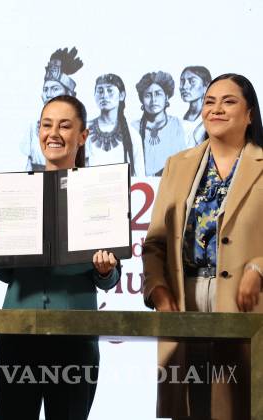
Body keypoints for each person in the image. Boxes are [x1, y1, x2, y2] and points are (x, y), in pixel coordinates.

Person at [0, 95, 120, 420]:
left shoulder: (98, 193)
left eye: (65, 126)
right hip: (17, 331)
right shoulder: (14, 193)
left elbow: (110, 276)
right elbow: (10, 274)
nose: (53, 133)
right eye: (46, 125)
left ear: (83, 135)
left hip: (75, 335)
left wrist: (105, 270)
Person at [142, 73, 263, 420]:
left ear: (250, 114)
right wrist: (159, 291)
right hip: (184, 300)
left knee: (238, 406)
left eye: (228, 101)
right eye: (210, 102)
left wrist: (258, 267)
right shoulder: (177, 165)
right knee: (189, 405)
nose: (216, 109)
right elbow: (155, 243)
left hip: (246, 305)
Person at [20, 47, 83, 171]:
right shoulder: (33, 126)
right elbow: (28, 165)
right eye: (45, 89)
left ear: (68, 94)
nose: (48, 94)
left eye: (55, 89)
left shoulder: (80, 126)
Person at [85, 73, 145, 176]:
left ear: (122, 95)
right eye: (100, 91)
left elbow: (140, 178)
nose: (104, 96)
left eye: (110, 90)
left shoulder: (132, 135)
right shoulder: (83, 131)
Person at [133, 71, 187, 176]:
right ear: (142, 100)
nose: (153, 100)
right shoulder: (133, 128)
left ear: (166, 97)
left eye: (158, 94)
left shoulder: (180, 126)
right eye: (148, 95)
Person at [179, 66, 212, 148]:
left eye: (192, 81)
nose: (184, 86)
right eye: (182, 81)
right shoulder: (178, 120)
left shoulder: (211, 119)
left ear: (206, 87)